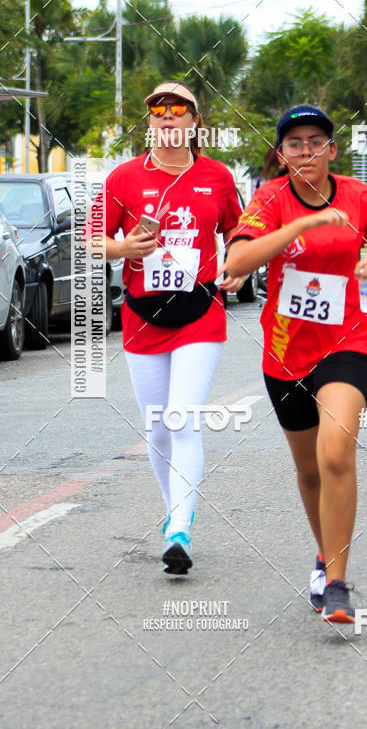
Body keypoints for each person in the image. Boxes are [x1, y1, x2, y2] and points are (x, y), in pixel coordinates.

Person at [224, 105, 367, 623]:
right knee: (309, 468)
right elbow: (236, 263)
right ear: (281, 153)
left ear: (332, 150)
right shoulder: (269, 198)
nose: (306, 151)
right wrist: (312, 219)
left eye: (316, 141)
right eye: (294, 143)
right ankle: (324, 554)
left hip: (349, 343)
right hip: (285, 352)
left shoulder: (361, 195)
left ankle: (337, 583)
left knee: (336, 450)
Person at [87, 81, 244, 574]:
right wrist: (122, 250)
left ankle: (180, 526)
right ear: (150, 121)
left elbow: (237, 231)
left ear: (196, 121)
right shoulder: (125, 178)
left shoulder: (216, 177)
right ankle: (173, 509)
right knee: (156, 426)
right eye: (158, 111)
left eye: (180, 110)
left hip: (199, 312)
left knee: (182, 417)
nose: (168, 117)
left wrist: (238, 264)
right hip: (141, 314)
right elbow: (91, 238)